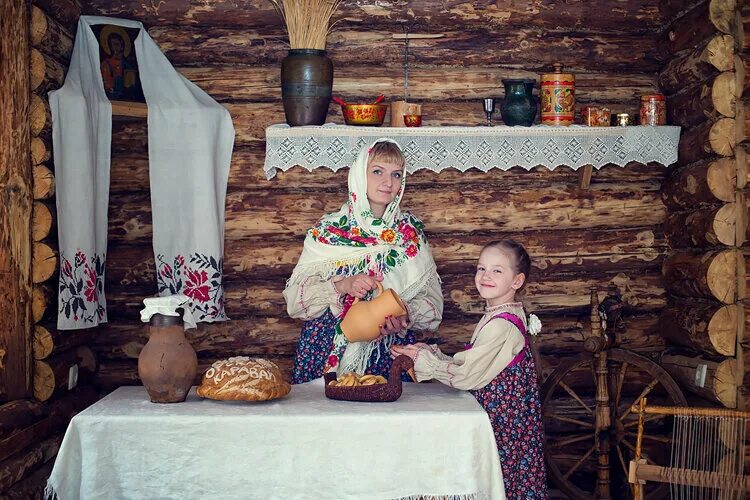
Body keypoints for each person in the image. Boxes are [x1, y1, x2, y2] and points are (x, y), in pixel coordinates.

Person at [392, 240, 547, 499]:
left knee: (500, 475)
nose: (485, 276)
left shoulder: (502, 325)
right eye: (481, 268)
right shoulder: (500, 313)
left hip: (503, 420)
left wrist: (424, 361)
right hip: (504, 415)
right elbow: (475, 363)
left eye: (497, 270)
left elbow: (467, 376)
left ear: (517, 281)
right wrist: (431, 353)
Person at [284, 138, 443, 384]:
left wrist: (404, 316)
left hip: (387, 351)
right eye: (377, 171)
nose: (388, 182)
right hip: (325, 348)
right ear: (359, 174)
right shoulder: (328, 231)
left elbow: (433, 309)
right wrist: (342, 286)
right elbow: (295, 303)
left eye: (397, 174)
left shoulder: (410, 233)